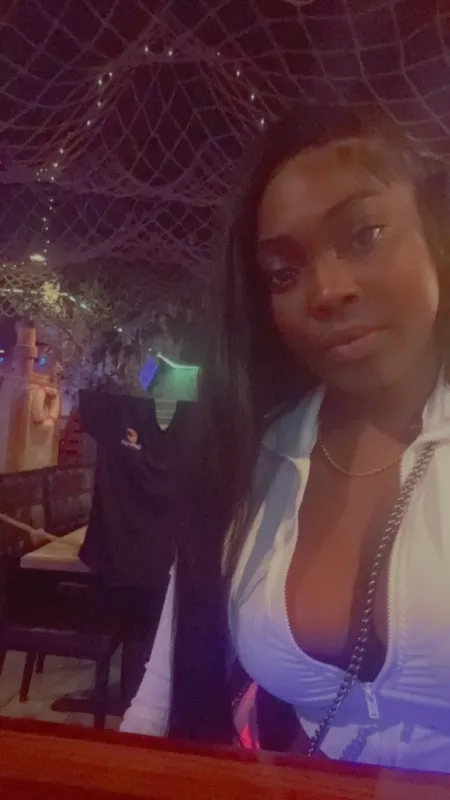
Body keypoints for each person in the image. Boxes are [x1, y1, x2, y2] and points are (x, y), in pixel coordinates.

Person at [121, 104, 450, 772]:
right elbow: (162, 697)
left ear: (435, 232)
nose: (326, 290)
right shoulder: (252, 455)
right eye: (284, 272)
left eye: (364, 234)